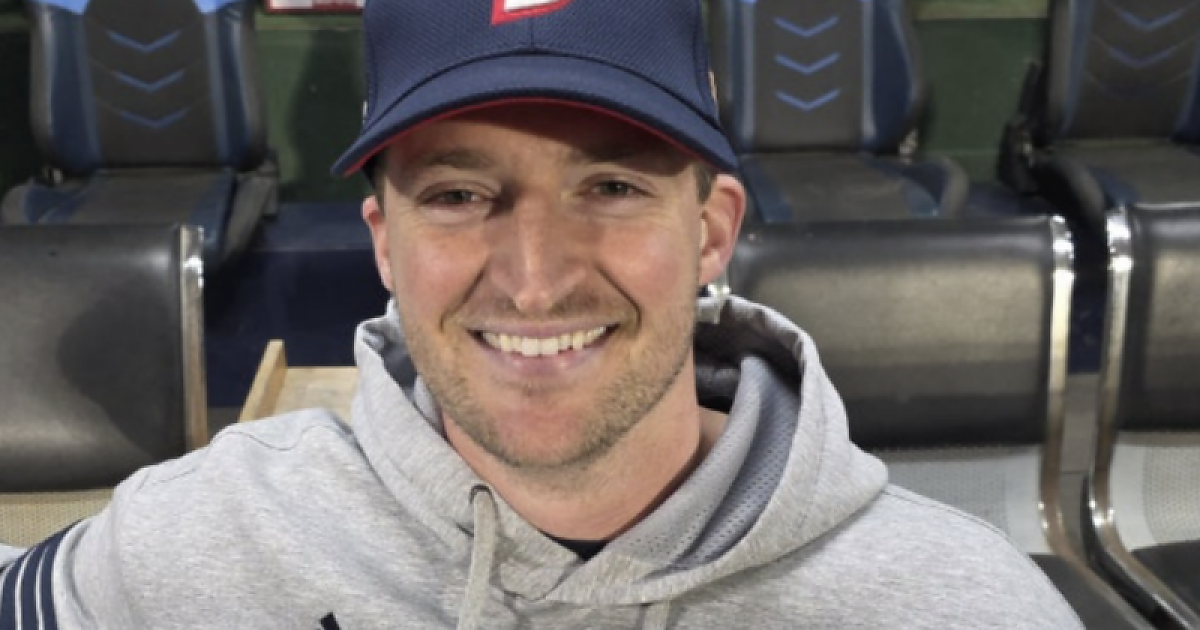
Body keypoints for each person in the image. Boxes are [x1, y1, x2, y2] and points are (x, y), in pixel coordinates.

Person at [0, 0, 1084, 627]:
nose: (533, 280)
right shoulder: (201, 539)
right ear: (384, 243)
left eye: (609, 186)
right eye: (458, 195)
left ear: (712, 229)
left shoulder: (960, 604)